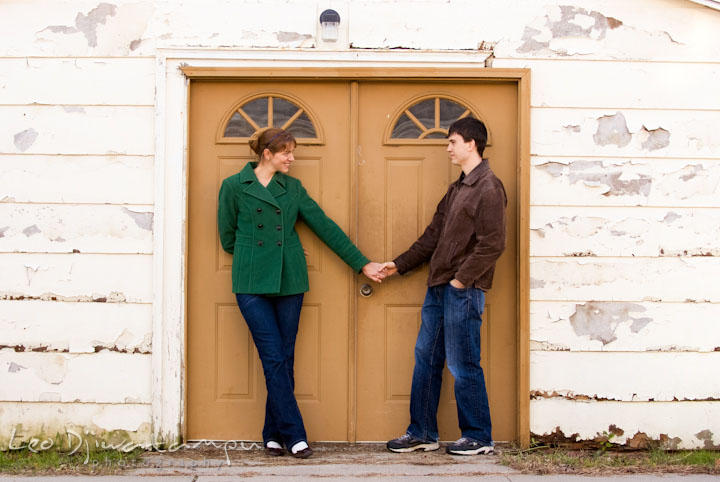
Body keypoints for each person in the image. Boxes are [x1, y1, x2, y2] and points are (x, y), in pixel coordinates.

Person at [218, 127, 385, 458]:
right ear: (268, 153)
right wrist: (258, 255)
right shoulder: (234, 187)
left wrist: (362, 263)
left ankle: (272, 434)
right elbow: (227, 237)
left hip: (290, 281)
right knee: (274, 356)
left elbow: (324, 226)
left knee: (284, 357)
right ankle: (295, 435)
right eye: (287, 153)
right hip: (251, 284)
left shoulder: (292, 189)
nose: (292, 159)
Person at [381, 117, 507, 456]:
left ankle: (479, 436)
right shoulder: (458, 188)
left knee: (464, 363)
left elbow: (492, 244)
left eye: (453, 141)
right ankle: (422, 432)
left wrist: (459, 280)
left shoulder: (489, 187)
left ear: (472, 144)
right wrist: (399, 264)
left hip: (462, 291)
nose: (448, 148)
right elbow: (433, 237)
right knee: (426, 358)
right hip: (439, 287)